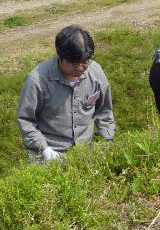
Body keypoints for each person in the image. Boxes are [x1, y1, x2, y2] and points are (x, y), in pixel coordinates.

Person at [17, 25, 115, 163]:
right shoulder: (37, 81)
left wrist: (107, 141)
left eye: (85, 62)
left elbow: (104, 111)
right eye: (75, 63)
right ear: (60, 56)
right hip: (49, 155)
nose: (81, 68)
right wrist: (44, 149)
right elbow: (26, 120)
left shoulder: (95, 72)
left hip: (86, 152)